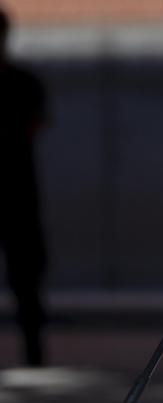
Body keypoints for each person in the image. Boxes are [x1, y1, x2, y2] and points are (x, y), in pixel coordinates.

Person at [0, 8, 48, 367]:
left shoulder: (23, 83)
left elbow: (35, 127)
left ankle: (34, 355)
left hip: (18, 196)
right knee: (26, 280)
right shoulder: (24, 83)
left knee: (26, 281)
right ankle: (34, 356)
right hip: (20, 195)